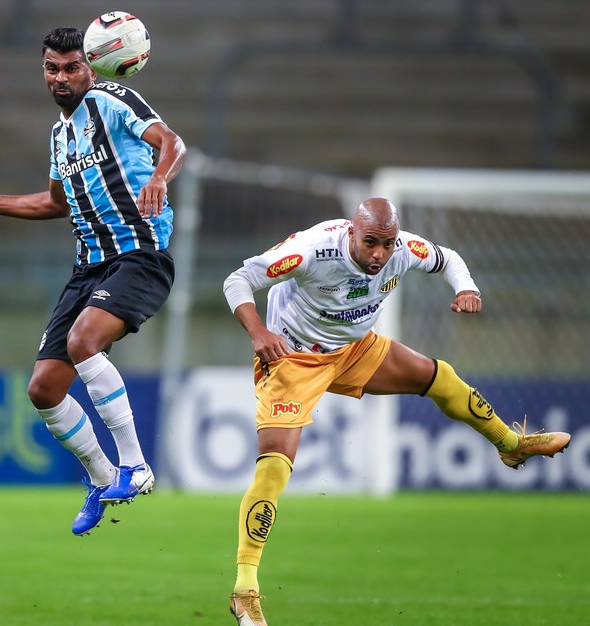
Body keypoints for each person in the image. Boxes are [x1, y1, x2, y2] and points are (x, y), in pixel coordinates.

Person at [221, 197, 571, 626]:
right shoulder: (312, 250)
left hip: (354, 348)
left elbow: (449, 258)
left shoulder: (404, 248)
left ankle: (511, 445)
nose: (379, 255)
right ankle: (245, 591)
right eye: (371, 243)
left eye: (387, 245)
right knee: (275, 467)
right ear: (352, 232)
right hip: (294, 357)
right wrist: (258, 332)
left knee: (441, 378)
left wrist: (467, 288)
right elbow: (238, 279)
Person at [0, 27, 186, 536]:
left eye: (71, 67)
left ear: (90, 66)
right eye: (51, 69)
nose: (61, 77)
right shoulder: (60, 135)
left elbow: (171, 141)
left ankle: (137, 467)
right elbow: (55, 203)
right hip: (87, 268)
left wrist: (159, 176)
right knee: (44, 389)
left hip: (138, 256)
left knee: (83, 342)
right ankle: (101, 477)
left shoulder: (112, 98)